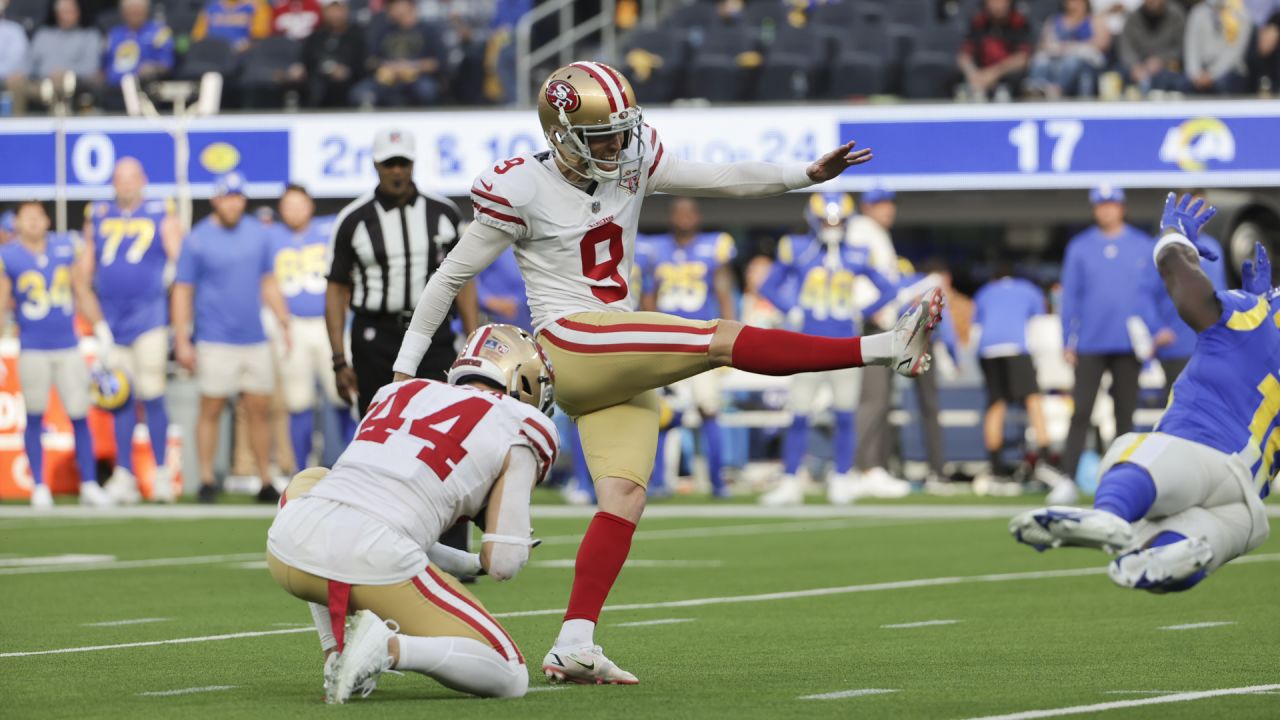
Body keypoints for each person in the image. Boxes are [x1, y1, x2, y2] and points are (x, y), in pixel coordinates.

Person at [391, 61, 944, 684]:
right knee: (718, 339)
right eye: (602, 134)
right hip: (572, 339)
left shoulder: (633, 157)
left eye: (623, 130)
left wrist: (804, 175)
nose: (618, 143)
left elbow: (724, 178)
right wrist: (404, 371)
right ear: (561, 133)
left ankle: (574, 642)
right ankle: (884, 347)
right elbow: (450, 277)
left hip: (617, 353)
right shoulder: (520, 187)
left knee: (624, 496)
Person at [266, 324, 556, 703]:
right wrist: (502, 547)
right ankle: (388, 648)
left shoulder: (397, 392)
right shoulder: (524, 423)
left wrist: (468, 563)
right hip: (372, 555)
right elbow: (503, 561)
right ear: (526, 381)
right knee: (511, 672)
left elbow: (377, 507)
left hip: (288, 542)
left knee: (313, 479)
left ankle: (334, 655)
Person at [1011, 194, 1271, 593]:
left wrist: (1172, 239)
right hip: (1247, 503)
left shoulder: (1251, 313)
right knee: (1154, 559)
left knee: (1131, 451)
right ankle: (1169, 554)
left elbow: (1187, 289)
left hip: (1200, 453)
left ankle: (1110, 513)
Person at [758, 192, 898, 506]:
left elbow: (890, 287)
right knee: (799, 414)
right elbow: (767, 285)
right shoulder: (798, 249)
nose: (833, 226)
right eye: (826, 220)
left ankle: (842, 477)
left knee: (845, 414)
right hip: (807, 344)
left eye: (838, 220)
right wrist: (789, 308)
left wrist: (864, 311)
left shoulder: (858, 253)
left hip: (844, 344)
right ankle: (792, 479)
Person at [325, 127, 477, 417]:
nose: (396, 171)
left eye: (403, 163)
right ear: (375, 165)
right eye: (389, 164)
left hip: (434, 335)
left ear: (413, 164)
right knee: (378, 425)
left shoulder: (443, 214)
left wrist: (471, 341)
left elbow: (464, 281)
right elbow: (336, 289)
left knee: (438, 422)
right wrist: (339, 360)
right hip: (376, 338)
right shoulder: (354, 220)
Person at [173, 172, 291, 503]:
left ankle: (264, 478)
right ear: (215, 199)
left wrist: (282, 318)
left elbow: (267, 280)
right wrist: (182, 338)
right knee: (210, 406)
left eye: (237, 197)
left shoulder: (257, 234)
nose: (232, 203)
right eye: (227, 197)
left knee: (258, 407)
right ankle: (208, 478)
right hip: (214, 336)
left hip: (253, 335)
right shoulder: (198, 238)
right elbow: (183, 290)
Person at [82, 157, 182, 503]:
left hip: (149, 317)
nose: (125, 184)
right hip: (112, 320)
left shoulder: (160, 213)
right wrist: (97, 323)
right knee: (119, 398)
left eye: (131, 177)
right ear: (113, 182)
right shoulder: (98, 215)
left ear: (143, 180)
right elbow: (83, 273)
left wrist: (168, 291)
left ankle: (161, 474)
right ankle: (124, 473)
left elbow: (179, 262)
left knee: (152, 393)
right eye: (119, 178)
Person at [0, 201, 112, 508]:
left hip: (68, 345)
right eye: (27, 218)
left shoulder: (65, 248)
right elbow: (2, 299)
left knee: (79, 414)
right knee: (34, 415)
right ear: (18, 223)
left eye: (38, 216)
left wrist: (99, 325)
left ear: (47, 220)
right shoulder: (9, 255)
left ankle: (88, 483)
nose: (34, 223)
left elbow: (81, 290)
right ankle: (39, 485)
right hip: (33, 346)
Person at [1054, 185, 1156, 503]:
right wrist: (1066, 338)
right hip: (1090, 342)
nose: (1107, 210)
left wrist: (1154, 331)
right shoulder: (1080, 247)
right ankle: (1067, 479)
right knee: (1081, 409)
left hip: (1129, 343)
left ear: (1122, 207)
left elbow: (1154, 293)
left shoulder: (1142, 245)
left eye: (1112, 204)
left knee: (1125, 412)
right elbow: (1069, 295)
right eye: (1101, 205)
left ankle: (1122, 478)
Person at [637, 198, 736, 498]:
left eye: (689, 212)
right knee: (664, 413)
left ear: (698, 216)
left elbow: (723, 291)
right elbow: (648, 295)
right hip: (669, 340)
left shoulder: (713, 246)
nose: (684, 217)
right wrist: (651, 332)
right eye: (678, 212)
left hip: (703, 340)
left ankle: (718, 482)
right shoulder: (655, 249)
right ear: (670, 217)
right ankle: (657, 482)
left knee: (708, 409)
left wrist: (729, 336)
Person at [270, 184, 355, 470]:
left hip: (328, 323)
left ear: (310, 206)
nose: (294, 211)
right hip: (291, 324)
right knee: (298, 400)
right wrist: (280, 318)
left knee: (343, 394)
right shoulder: (271, 237)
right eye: (288, 205)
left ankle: (351, 466)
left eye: (299, 204)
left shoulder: (329, 229)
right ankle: (301, 469)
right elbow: (265, 281)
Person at [848, 188, 914, 493]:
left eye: (890, 203)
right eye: (881, 203)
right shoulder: (862, 229)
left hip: (883, 324)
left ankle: (872, 468)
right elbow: (856, 273)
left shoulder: (876, 231)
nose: (889, 209)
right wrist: (868, 309)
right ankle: (859, 467)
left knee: (881, 399)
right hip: (869, 325)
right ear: (867, 206)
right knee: (872, 399)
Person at [972, 265, 1052, 487]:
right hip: (1016, 350)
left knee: (996, 404)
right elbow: (1040, 325)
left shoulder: (984, 292)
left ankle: (996, 468)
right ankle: (1045, 461)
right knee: (1033, 399)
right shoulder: (1028, 289)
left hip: (987, 352)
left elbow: (975, 329)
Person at [1149, 213, 1226, 395]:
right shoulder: (1161, 246)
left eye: (1200, 209)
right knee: (1181, 404)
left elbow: (1222, 292)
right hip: (1177, 342)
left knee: (1213, 406)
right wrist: (1156, 328)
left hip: (1213, 343)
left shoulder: (1213, 245)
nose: (1195, 216)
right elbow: (1144, 293)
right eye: (1190, 209)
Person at [8, 0, 101, 115]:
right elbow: (30, 62)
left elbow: (90, 67)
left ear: (79, 12)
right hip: (40, 82)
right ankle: (16, 128)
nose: (66, 16)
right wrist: (20, 73)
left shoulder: (89, 35)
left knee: (62, 82)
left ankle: (58, 128)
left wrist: (67, 72)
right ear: (56, 13)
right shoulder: (43, 34)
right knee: (15, 82)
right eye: (62, 12)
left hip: (72, 83)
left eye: (70, 11)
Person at [353, 0, 446, 107]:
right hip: (387, 78)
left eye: (396, 4)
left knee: (427, 91)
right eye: (390, 6)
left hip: (418, 77)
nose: (391, 9)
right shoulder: (383, 30)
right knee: (360, 94)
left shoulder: (428, 30)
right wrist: (388, 66)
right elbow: (370, 61)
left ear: (409, 5)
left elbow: (439, 62)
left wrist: (412, 66)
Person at [1027, 0, 1110, 98]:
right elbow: (1044, 44)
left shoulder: (1094, 19)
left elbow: (1103, 43)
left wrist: (1073, 46)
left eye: (1079, 2)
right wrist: (1057, 47)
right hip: (1057, 58)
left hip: (1085, 60)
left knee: (1071, 61)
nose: (1076, 5)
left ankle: (1057, 89)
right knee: (1041, 59)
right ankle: (1036, 87)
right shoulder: (1054, 20)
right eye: (1072, 2)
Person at [101, 0, 174, 111]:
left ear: (146, 11)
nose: (134, 14)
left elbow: (167, 64)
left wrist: (153, 67)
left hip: (142, 87)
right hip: (112, 88)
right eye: (131, 11)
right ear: (123, 13)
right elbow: (104, 65)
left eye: (138, 11)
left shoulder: (160, 32)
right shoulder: (114, 34)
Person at [958, 0, 1033, 100]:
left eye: (1002, 2)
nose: (998, 6)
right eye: (993, 2)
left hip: (1006, 78)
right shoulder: (977, 21)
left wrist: (993, 74)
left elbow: (1022, 58)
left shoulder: (1019, 21)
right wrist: (973, 74)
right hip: (980, 76)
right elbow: (964, 55)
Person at [297, 0, 365, 108]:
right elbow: (305, 59)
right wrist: (299, 67)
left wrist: (347, 71)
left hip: (348, 83)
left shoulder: (357, 36)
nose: (335, 14)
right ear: (324, 12)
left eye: (338, 10)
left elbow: (362, 62)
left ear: (346, 11)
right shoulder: (315, 37)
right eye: (331, 10)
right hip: (317, 81)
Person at [1119, 0, 1187, 94]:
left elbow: (1182, 47)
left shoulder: (1176, 15)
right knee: (1120, 74)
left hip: (1168, 67)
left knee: (1171, 79)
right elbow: (1126, 47)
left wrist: (1161, 60)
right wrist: (1135, 66)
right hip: (1140, 66)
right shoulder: (1133, 17)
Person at [1184, 0, 1251, 94]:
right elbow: (1191, 48)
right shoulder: (1197, 13)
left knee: (1222, 84)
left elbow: (1234, 52)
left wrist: (1212, 74)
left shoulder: (1240, 14)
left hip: (1230, 70)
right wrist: (1195, 75)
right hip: (1201, 71)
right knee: (1182, 84)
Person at [192, 0, 272, 52]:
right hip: (212, 53)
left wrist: (245, 47)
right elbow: (198, 36)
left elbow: (260, 37)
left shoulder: (256, 7)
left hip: (242, 55)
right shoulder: (210, 8)